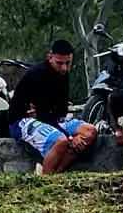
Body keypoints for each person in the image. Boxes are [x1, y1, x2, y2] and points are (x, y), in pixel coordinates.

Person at [7, 39, 98, 175]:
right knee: (61, 140)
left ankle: (54, 171)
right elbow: (43, 115)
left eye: (68, 63)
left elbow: (61, 110)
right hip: (21, 120)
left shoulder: (63, 75)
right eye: (60, 63)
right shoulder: (37, 75)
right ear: (50, 58)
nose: (64, 68)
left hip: (51, 117)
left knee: (89, 132)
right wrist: (70, 137)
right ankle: (45, 178)